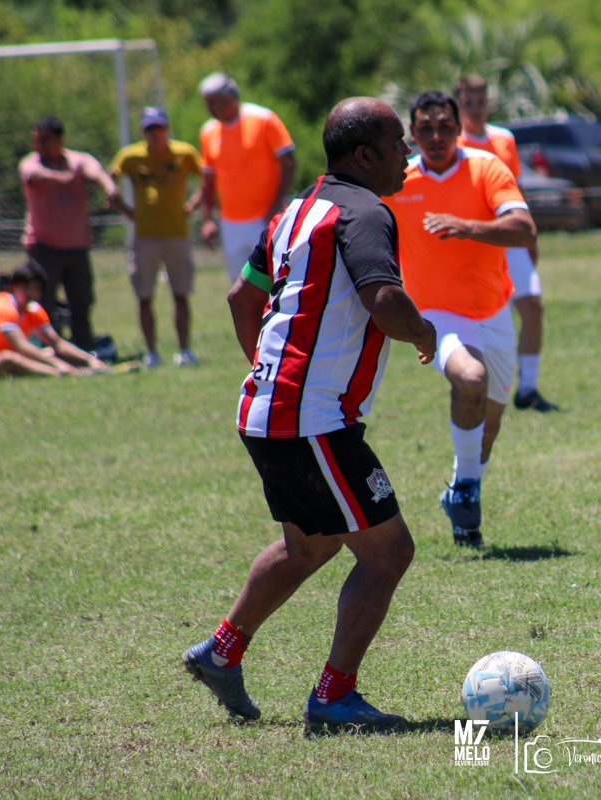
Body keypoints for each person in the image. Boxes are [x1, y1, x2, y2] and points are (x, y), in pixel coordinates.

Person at [183, 97, 437, 735]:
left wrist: (271, 375)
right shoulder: (366, 212)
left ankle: (220, 653)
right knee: (388, 553)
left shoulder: (295, 210)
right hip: (312, 419)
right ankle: (333, 698)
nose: (407, 154)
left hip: (268, 411)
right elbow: (385, 300)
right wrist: (423, 332)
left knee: (311, 542)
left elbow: (241, 297)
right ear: (365, 156)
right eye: (398, 143)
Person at [388, 91, 537, 547]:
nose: (436, 137)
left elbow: (524, 229)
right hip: (434, 316)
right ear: (412, 134)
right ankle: (469, 489)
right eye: (425, 128)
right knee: (470, 380)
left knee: (488, 428)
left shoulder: (486, 167)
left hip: (493, 312)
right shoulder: (398, 180)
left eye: (444, 127)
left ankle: (459, 496)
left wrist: (467, 226)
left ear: (458, 129)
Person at [455, 75, 558, 412]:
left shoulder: (504, 139)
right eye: (468, 102)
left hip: (509, 238)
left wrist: (529, 233)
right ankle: (480, 386)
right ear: (458, 104)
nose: (476, 108)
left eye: (480, 101)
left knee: (533, 306)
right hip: (476, 241)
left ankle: (527, 389)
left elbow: (516, 190)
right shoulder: (453, 143)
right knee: (482, 317)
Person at [109, 107, 204, 368]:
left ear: (166, 128)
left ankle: (185, 350)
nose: (155, 133)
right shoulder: (130, 156)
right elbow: (110, 180)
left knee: (181, 293)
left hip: (177, 235)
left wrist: (193, 204)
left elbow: (206, 178)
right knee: (144, 296)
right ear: (143, 131)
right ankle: (151, 352)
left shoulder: (184, 152)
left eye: (159, 128)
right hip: (145, 238)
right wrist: (126, 210)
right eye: (150, 129)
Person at [18, 116, 119, 351]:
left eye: (44, 140)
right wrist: (66, 178)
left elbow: (96, 172)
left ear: (60, 140)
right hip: (44, 248)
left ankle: (83, 350)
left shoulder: (78, 160)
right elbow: (36, 177)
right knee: (43, 304)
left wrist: (109, 188)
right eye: (37, 140)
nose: (38, 145)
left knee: (81, 302)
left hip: (76, 247)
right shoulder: (31, 163)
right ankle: (48, 352)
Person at [197, 72, 296, 282]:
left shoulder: (263, 119)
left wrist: (276, 204)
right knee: (240, 284)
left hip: (266, 217)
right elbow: (208, 181)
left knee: (273, 280)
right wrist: (207, 220)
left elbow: (288, 163)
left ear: (230, 97)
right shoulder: (208, 131)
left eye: (214, 102)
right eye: (208, 104)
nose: (211, 109)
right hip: (230, 222)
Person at [0, 260, 109, 378]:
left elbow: (57, 343)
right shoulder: (2, 308)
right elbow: (21, 345)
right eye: (26, 288)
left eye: (36, 288)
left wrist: (90, 360)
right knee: (9, 358)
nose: (31, 293)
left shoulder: (33, 309)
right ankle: (61, 374)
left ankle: (78, 370)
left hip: (6, 357)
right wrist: (57, 364)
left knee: (50, 352)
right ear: (13, 287)